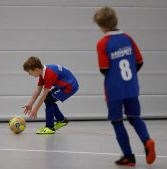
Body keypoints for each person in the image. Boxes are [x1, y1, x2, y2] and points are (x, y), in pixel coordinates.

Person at [93, 6, 156, 166]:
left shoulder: (103, 43)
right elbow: (140, 61)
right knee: (135, 117)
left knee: (117, 121)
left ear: (102, 26)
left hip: (114, 90)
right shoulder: (127, 38)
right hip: (132, 87)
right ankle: (147, 140)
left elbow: (104, 69)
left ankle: (128, 156)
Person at [22, 56, 79, 134]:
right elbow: (38, 90)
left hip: (70, 87)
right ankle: (62, 120)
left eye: (29, 72)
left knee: (48, 100)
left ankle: (50, 127)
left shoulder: (49, 74)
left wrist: (35, 110)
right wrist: (30, 104)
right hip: (63, 85)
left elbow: (43, 95)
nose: (29, 74)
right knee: (49, 99)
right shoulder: (42, 73)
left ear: (36, 70)